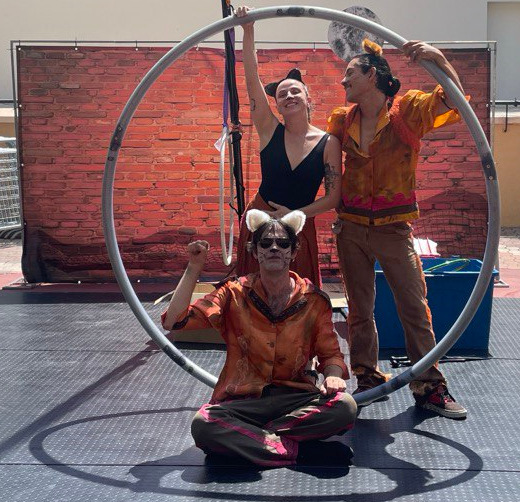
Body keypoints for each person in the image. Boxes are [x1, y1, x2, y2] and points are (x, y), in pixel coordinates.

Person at [326, 39, 468, 419]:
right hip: (351, 228)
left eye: (350, 73)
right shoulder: (342, 120)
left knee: (414, 307)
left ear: (371, 75)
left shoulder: (408, 111)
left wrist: (438, 58)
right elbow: (318, 155)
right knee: (359, 310)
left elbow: (455, 101)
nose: (343, 81)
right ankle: (368, 379)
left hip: (393, 229)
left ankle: (429, 387)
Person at [161, 209, 357, 467]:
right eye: (266, 243)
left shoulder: (314, 300)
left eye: (283, 243)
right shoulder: (233, 293)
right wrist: (194, 267)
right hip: (243, 401)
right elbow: (174, 321)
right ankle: (300, 451)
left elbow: (330, 354)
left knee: (345, 407)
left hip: (295, 399)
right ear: (255, 251)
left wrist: (332, 375)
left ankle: (249, 440)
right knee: (204, 425)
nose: (274, 248)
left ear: (294, 251)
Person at [234, 5, 343, 287]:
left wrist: (294, 215)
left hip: (299, 226)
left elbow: (332, 198)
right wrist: (248, 29)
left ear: (308, 99)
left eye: (296, 91)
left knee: (300, 295)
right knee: (255, 293)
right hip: (262, 221)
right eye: (283, 94)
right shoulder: (269, 130)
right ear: (277, 105)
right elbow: (251, 80)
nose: (289, 96)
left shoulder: (328, 142)